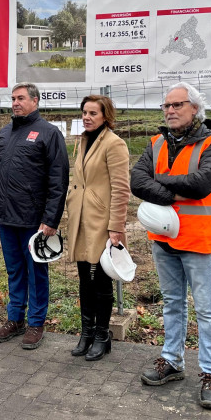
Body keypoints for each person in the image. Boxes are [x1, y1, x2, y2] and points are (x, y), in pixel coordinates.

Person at [130, 82, 211, 410]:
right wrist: (171, 191)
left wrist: (157, 183)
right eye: (166, 105)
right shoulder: (156, 142)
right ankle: (172, 361)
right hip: (163, 240)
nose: (170, 110)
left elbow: (201, 184)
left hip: (199, 240)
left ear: (195, 109)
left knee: (206, 310)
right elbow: (136, 181)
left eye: (178, 105)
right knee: (173, 303)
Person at [0, 82, 69, 349]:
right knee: (14, 271)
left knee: (36, 272)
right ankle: (15, 319)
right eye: (13, 98)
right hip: (6, 218)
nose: (15, 103)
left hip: (35, 220)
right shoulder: (4, 133)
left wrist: (51, 219)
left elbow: (58, 181)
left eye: (20, 98)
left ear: (35, 101)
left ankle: (35, 323)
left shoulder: (49, 133)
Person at [65, 94, 130, 361]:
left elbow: (121, 188)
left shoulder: (114, 144)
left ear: (106, 116)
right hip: (80, 219)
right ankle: (87, 333)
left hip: (102, 222)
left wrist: (116, 227)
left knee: (102, 280)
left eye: (93, 113)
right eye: (84, 113)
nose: (86, 117)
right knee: (84, 278)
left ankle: (103, 335)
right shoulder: (82, 141)